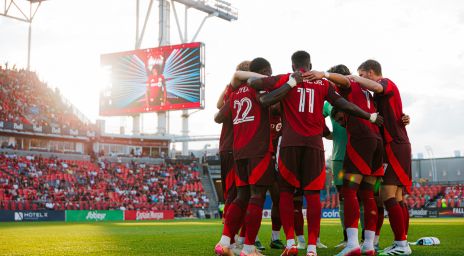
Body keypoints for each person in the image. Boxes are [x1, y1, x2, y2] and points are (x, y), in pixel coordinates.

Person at [248, 51, 383, 256]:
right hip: (317, 146)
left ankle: (291, 243)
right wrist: (369, 116)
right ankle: (312, 247)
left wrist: (287, 83)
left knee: (287, 192)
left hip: (290, 145)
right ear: (310, 64)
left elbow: (254, 84)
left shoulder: (286, 78)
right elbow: (342, 104)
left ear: (293, 66)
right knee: (315, 194)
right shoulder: (324, 84)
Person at [214, 57, 296, 256]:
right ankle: (249, 248)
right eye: (269, 72)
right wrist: (290, 84)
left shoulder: (235, 94)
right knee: (257, 197)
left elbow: (218, 116)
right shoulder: (258, 89)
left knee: (241, 197)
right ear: (264, 71)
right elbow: (267, 100)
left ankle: (224, 243)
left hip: (238, 152)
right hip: (258, 151)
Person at [305, 64, 385, 256]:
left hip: (358, 143)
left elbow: (345, 80)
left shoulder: (347, 85)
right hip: (373, 142)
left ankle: (352, 244)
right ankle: (368, 244)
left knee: (349, 193)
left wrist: (324, 74)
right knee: (367, 194)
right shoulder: (365, 91)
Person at [357, 59, 412, 256]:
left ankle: (402, 245)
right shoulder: (379, 95)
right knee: (396, 197)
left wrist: (351, 78)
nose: (360, 80)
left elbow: (377, 87)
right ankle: (402, 242)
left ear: (371, 72)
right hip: (397, 145)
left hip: (395, 146)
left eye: (362, 76)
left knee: (386, 195)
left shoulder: (386, 83)